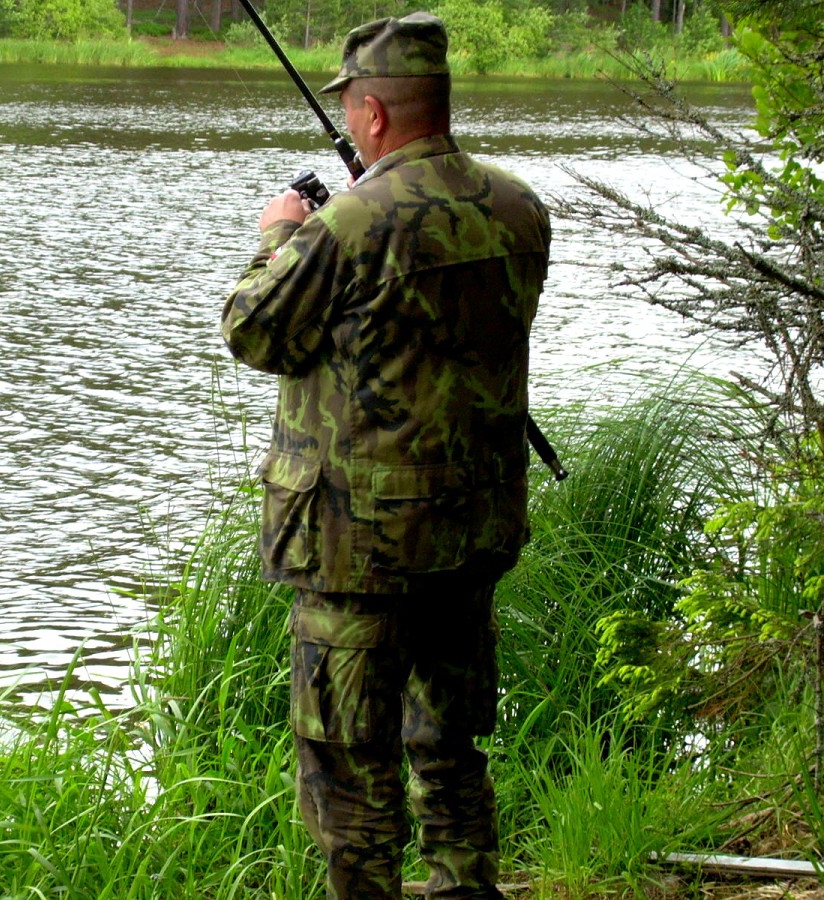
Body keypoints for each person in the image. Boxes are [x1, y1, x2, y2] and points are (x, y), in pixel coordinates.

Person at [219, 11, 551, 900]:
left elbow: (254, 331)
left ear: (369, 116)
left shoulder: (349, 226)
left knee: (347, 770)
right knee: (450, 752)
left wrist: (282, 233)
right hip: (468, 535)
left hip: (354, 547)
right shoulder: (519, 210)